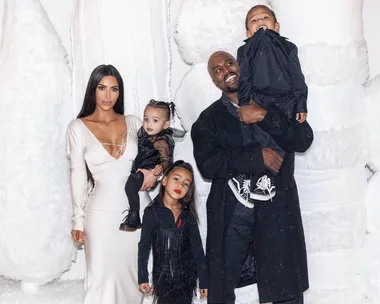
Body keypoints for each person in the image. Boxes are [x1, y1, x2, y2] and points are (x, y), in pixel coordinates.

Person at [191, 51, 313, 304]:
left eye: (229, 63)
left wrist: (265, 116)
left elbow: (303, 140)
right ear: (215, 82)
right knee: (222, 287)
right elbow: (208, 165)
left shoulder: (275, 103)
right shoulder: (207, 120)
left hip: (276, 208)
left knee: (285, 286)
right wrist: (256, 157)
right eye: (217, 70)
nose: (226, 70)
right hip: (232, 211)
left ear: (241, 66)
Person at [67, 64, 157, 304]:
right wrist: (78, 218)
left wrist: (155, 173)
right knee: (102, 280)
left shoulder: (134, 122)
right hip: (100, 215)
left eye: (114, 89)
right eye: (102, 88)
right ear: (92, 91)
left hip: (139, 210)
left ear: (120, 92)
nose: (108, 96)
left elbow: (158, 154)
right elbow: (77, 174)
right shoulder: (78, 127)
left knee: (137, 278)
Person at [233, 4, 308, 202]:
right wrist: (244, 103)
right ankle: (250, 180)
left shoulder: (288, 48)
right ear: (248, 32)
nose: (260, 22)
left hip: (285, 102)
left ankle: (267, 183)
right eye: (254, 20)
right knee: (256, 139)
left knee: (278, 144)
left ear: (276, 26)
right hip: (257, 99)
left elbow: (297, 78)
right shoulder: (245, 50)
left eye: (265, 17)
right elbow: (245, 79)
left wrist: (301, 103)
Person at [138, 160, 208, 304]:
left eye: (186, 183)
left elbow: (197, 249)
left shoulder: (188, 215)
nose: (180, 185)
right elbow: (144, 246)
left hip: (186, 280)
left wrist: (204, 280)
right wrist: (142, 277)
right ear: (164, 180)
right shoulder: (152, 213)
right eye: (176, 179)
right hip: (162, 279)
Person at [120, 99, 185, 231]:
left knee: (130, 186)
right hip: (141, 167)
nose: (149, 124)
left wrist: (157, 171)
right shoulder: (143, 133)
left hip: (150, 169)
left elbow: (167, 161)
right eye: (146, 119)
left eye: (155, 121)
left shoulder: (161, 141)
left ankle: (134, 216)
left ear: (166, 124)